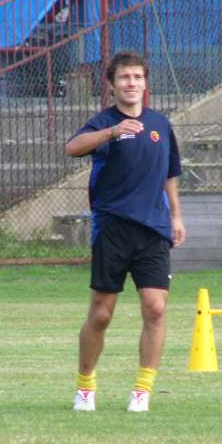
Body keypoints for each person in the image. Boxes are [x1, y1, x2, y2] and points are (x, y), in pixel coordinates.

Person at [65, 51, 186, 413]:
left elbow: (170, 174)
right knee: (102, 313)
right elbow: (72, 148)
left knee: (156, 308)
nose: (131, 83)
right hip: (112, 228)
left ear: (145, 83)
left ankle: (142, 391)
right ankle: (85, 386)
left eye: (137, 77)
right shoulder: (103, 122)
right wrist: (112, 133)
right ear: (112, 84)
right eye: (124, 78)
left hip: (153, 229)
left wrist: (176, 216)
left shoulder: (160, 124)